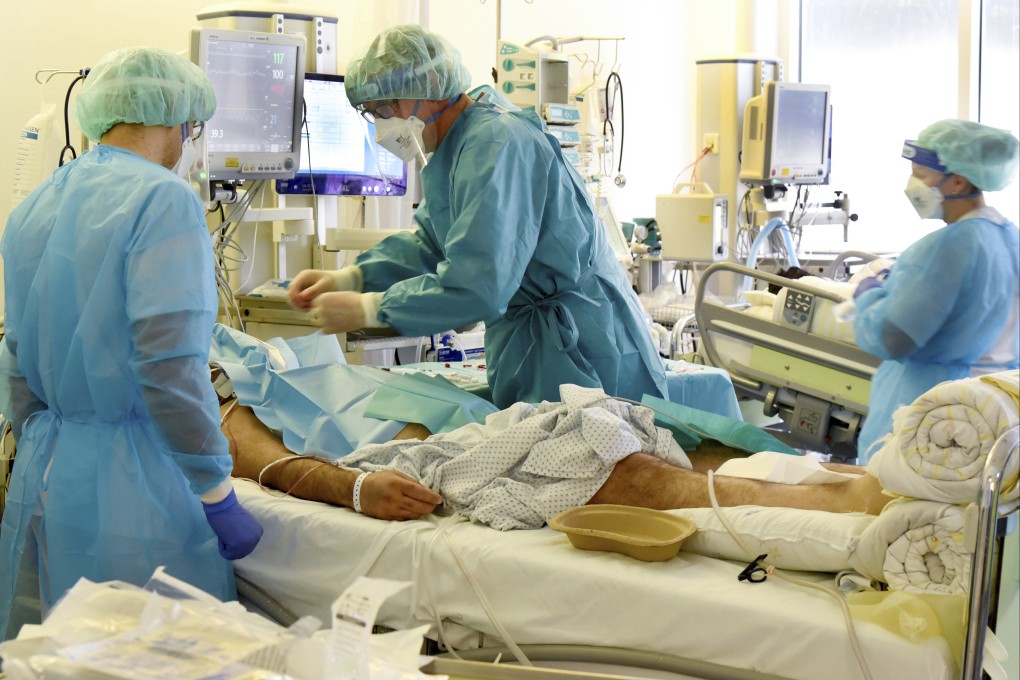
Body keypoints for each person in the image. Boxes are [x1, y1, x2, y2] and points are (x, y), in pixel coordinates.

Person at [0, 46, 263, 639]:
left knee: (62, 652)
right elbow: (169, 366)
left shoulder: (35, 205)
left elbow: (15, 356)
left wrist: (46, 438)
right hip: (134, 484)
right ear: (177, 119)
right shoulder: (162, 199)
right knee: (150, 653)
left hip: (49, 471)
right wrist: (216, 488)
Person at [287, 24, 668, 410]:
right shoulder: (458, 147)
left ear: (431, 86)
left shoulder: (496, 143)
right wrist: (352, 276)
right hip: (539, 343)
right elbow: (433, 242)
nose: (384, 124)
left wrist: (371, 310)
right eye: (373, 114)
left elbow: (479, 285)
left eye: (387, 108)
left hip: (587, 349)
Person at [220, 391, 891, 527]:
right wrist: (351, 489)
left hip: (448, 418)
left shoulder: (265, 358)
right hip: (410, 457)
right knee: (617, 472)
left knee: (658, 446)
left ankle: (861, 483)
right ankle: (833, 504)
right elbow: (252, 455)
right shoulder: (220, 370)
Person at [854, 119, 1020, 461]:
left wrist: (867, 295)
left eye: (920, 173)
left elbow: (893, 337)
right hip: (996, 410)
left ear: (957, 180)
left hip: (936, 417)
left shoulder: (950, 246)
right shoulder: (1009, 238)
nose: (911, 184)